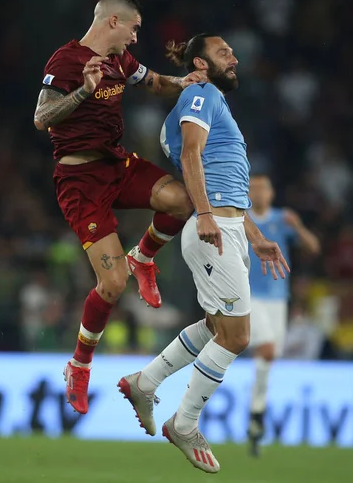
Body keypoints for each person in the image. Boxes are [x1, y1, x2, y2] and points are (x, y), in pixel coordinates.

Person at [118, 34, 289, 473]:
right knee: (237, 337)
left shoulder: (210, 100)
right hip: (213, 228)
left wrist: (253, 234)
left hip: (228, 226)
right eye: (224, 52)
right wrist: (209, 214)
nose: (234, 57)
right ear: (201, 61)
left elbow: (223, 178)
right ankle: (185, 423)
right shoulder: (201, 93)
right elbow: (192, 155)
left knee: (218, 326)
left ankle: (146, 381)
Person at [33, 0, 205, 415]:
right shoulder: (67, 62)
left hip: (117, 163)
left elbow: (154, 83)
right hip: (79, 180)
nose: (134, 37)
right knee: (111, 285)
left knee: (180, 201)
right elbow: (41, 117)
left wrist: (185, 83)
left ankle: (143, 257)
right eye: (133, 28)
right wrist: (83, 93)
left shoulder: (121, 62)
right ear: (114, 22)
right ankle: (79, 365)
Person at [247, 174, 321, 456]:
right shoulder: (242, 218)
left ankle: (256, 417)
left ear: (272, 192)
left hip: (279, 300)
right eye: (254, 188)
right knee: (266, 349)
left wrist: (299, 227)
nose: (260, 192)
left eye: (264, 188)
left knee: (268, 359)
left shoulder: (282, 218)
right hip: (250, 297)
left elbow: (313, 247)